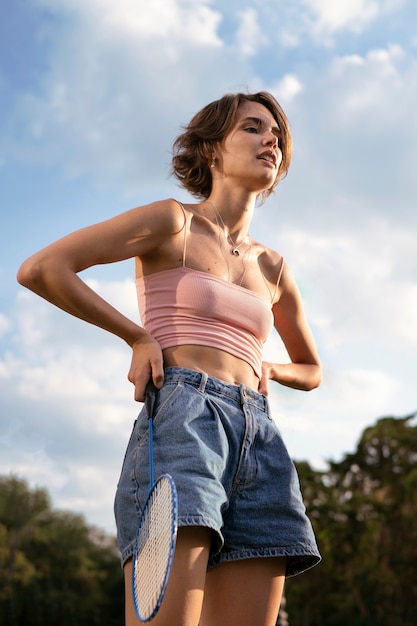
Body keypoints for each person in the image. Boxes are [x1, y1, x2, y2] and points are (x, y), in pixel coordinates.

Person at [17, 91, 322, 626]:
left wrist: (269, 368)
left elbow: (312, 370)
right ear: (210, 149)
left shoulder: (273, 267)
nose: (270, 140)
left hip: (261, 438)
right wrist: (135, 336)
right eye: (252, 128)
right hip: (185, 422)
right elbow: (44, 268)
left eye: (277, 135)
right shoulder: (172, 223)